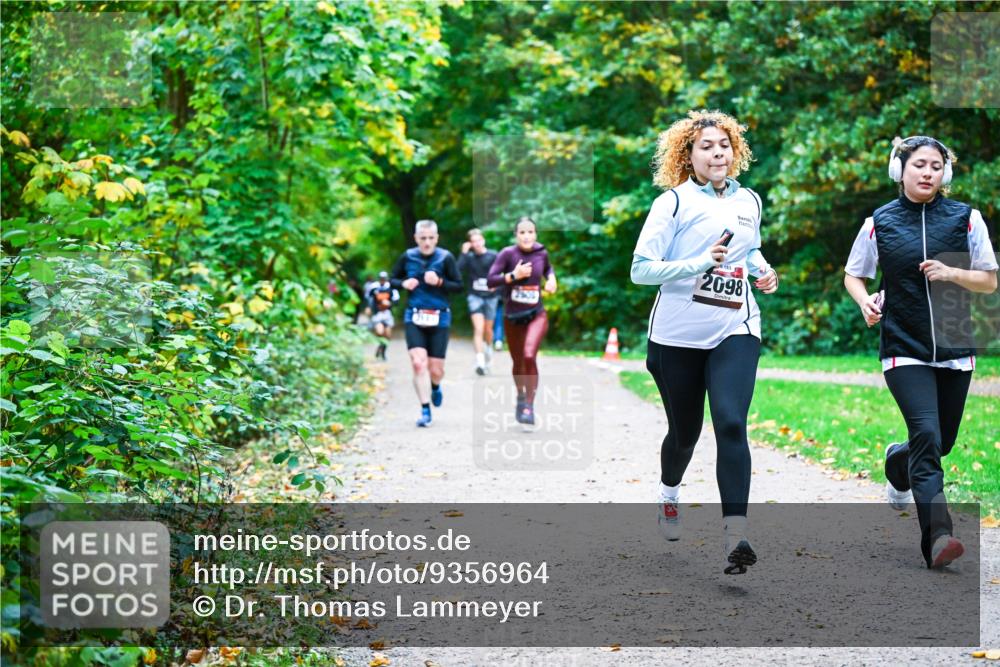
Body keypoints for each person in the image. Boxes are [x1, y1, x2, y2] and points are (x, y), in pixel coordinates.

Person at [630, 109, 779, 574]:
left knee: (732, 422)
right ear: (688, 155)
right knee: (685, 432)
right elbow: (641, 270)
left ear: (735, 152)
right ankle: (669, 492)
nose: (718, 153)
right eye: (707, 146)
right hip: (676, 335)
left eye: (724, 146)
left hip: (735, 325)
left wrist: (762, 268)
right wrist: (695, 262)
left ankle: (736, 534)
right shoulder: (672, 204)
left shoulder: (749, 200)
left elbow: (747, 249)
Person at [844, 135, 997, 569]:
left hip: (955, 346)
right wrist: (866, 301)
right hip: (903, 345)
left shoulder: (967, 219)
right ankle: (939, 538)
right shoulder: (880, 221)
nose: (927, 172)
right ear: (900, 171)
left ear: (944, 174)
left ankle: (898, 462)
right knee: (928, 436)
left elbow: (989, 280)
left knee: (940, 442)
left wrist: (952, 271)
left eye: (935, 166)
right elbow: (854, 275)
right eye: (919, 165)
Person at [389, 220, 464, 427]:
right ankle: (425, 409)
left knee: (436, 369)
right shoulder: (408, 256)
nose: (427, 242)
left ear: (436, 238)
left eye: (431, 238)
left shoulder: (445, 257)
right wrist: (403, 283)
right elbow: (392, 280)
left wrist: (440, 282)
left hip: (440, 316)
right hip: (415, 316)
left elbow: (458, 286)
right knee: (418, 363)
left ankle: (435, 385)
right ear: (416, 238)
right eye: (423, 238)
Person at [487, 217, 556, 426]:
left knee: (528, 355)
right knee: (517, 362)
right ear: (516, 235)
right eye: (522, 233)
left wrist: (552, 279)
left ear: (535, 234)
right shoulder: (508, 254)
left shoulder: (541, 252)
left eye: (530, 232)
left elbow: (548, 269)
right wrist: (512, 276)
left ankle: (529, 405)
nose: (527, 236)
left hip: (536, 314)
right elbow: (491, 280)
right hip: (512, 317)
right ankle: (520, 396)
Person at [458, 228, 500, 375]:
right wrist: (463, 253)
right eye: (473, 241)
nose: (476, 244)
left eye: (478, 240)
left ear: (483, 240)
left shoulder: (494, 255)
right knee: (478, 328)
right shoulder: (468, 258)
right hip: (474, 295)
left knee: (488, 329)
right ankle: (480, 362)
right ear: (470, 243)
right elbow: (457, 270)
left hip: (491, 297)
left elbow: (503, 273)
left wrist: (497, 285)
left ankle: (489, 350)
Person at [366, 271, 399, 360]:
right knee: (380, 332)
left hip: (387, 314)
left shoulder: (391, 288)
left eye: (384, 279)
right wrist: (369, 308)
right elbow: (369, 298)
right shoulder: (374, 287)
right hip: (378, 314)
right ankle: (379, 348)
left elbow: (396, 301)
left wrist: (389, 303)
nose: (382, 280)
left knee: (387, 335)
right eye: (381, 279)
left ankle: (383, 352)